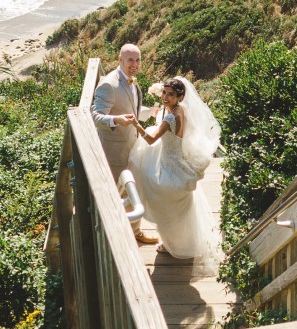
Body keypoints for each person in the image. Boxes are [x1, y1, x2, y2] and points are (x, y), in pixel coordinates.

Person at [129, 76, 222, 269]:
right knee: (181, 207)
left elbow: (151, 139)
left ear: (180, 96)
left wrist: (136, 125)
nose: (165, 97)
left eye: (170, 94)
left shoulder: (171, 116)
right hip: (177, 162)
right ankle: (182, 242)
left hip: (169, 166)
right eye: (164, 92)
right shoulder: (182, 110)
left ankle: (172, 243)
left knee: (160, 199)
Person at [91, 43, 158, 244]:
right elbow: (94, 116)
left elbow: (130, 108)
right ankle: (112, 239)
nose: (135, 64)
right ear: (120, 60)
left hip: (132, 147)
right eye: (130, 60)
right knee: (114, 195)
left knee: (133, 189)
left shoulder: (131, 81)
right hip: (114, 150)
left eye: (138, 60)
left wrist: (148, 112)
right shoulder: (108, 84)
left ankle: (135, 232)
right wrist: (116, 120)